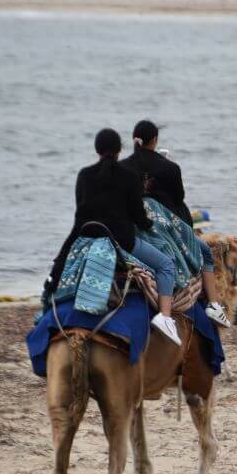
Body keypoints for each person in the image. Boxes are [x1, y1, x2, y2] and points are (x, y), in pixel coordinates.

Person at [49, 128, 182, 346]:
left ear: (97, 150)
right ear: (120, 150)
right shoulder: (129, 176)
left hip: (88, 240)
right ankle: (166, 317)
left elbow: (79, 221)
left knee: (57, 277)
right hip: (124, 243)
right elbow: (139, 219)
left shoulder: (84, 175)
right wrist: (149, 224)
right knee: (166, 265)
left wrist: (58, 265)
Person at [119, 120, 231, 328]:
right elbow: (178, 200)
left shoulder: (122, 167)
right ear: (155, 141)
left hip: (130, 229)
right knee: (205, 252)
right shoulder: (170, 168)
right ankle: (214, 305)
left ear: (134, 139)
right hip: (162, 229)